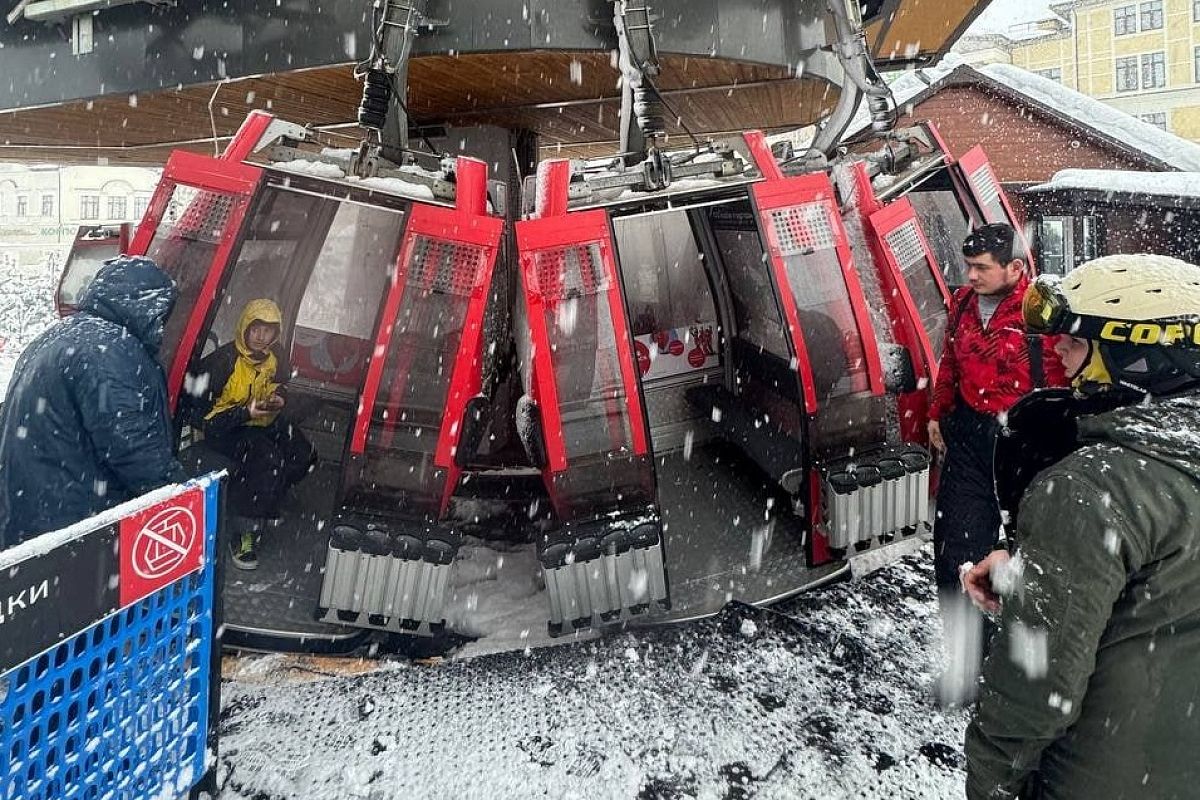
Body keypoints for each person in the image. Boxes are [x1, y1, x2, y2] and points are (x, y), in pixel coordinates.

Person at [962, 253, 1200, 799]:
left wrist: (991, 779)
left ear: (1136, 353)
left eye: (1077, 338)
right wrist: (1040, 565)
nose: (1057, 348)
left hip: (1107, 775)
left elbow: (1036, 681)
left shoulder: (1089, 489)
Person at [927, 223, 1067, 705]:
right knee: (953, 556)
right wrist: (937, 412)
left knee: (1032, 564)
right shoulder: (964, 305)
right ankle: (967, 669)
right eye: (968, 266)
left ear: (1015, 268)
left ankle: (1029, 676)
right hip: (969, 439)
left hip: (1025, 445)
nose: (971, 276)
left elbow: (1072, 377)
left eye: (982, 268)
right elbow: (949, 361)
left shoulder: (1043, 314)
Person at [0, 255, 187, 548]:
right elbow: (134, 447)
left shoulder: (64, 334)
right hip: (73, 521)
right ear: (146, 307)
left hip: (32, 509)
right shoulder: (110, 351)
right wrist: (180, 495)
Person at [189, 298, 315, 569]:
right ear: (245, 327)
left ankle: (268, 494)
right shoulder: (222, 362)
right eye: (256, 329)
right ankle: (243, 530)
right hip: (227, 429)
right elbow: (204, 420)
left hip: (263, 421)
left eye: (268, 331)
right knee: (266, 460)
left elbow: (282, 384)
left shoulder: (276, 356)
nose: (261, 337)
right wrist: (244, 413)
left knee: (304, 454)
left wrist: (280, 398)